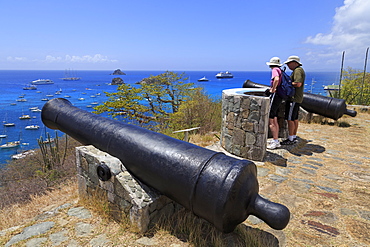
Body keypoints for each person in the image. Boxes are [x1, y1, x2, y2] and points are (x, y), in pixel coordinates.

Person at [281, 55, 305, 145]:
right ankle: (293, 136)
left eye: (289, 63)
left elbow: (298, 84)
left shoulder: (298, 71)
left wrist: (288, 84)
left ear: (295, 63)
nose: (288, 65)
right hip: (297, 98)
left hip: (293, 98)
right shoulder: (298, 70)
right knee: (294, 118)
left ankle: (290, 138)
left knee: (290, 118)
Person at [266, 57, 283, 150]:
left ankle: (275, 141)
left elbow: (276, 79)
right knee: (275, 119)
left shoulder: (275, 70)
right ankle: (276, 140)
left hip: (275, 96)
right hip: (279, 96)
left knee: (271, 120)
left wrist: (273, 89)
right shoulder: (280, 70)